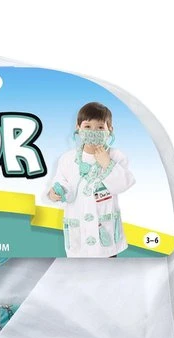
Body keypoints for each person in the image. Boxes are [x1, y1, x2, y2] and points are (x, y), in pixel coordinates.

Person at [48, 102, 135, 258]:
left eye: (100, 127)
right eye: (87, 126)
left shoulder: (115, 156)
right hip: (79, 238)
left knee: (108, 271)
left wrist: (107, 164)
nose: (93, 131)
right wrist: (55, 193)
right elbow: (63, 185)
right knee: (79, 271)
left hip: (106, 239)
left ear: (110, 130)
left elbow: (123, 184)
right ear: (78, 128)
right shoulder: (67, 159)